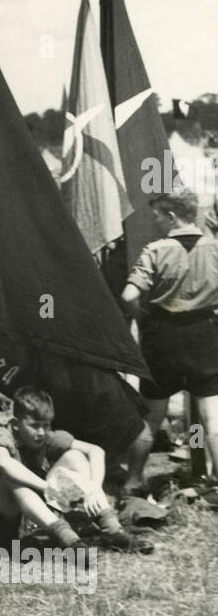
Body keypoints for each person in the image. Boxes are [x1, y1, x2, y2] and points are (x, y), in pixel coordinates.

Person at [121, 187, 218, 492]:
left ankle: (134, 480)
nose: (157, 222)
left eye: (159, 216)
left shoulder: (156, 249)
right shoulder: (215, 248)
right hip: (204, 334)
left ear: (173, 216)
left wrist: (142, 317)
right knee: (211, 414)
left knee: (152, 415)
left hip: (161, 336)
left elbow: (128, 295)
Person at [0, 386, 144, 552]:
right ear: (16, 423)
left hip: (33, 510)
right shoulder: (2, 434)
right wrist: (47, 487)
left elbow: (96, 451)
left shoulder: (46, 436)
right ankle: (68, 539)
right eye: (35, 425)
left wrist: (94, 488)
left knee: (75, 456)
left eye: (46, 425)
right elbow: (4, 464)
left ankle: (111, 528)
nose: (41, 432)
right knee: (10, 478)